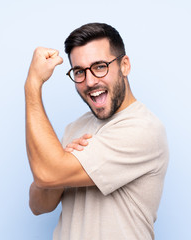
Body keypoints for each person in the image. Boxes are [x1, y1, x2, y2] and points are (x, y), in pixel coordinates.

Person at [25, 23, 169, 240]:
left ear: (125, 66)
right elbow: (39, 205)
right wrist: (57, 170)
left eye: (100, 66)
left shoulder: (142, 128)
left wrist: (32, 84)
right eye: (79, 71)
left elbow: (48, 173)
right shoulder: (75, 128)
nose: (90, 81)